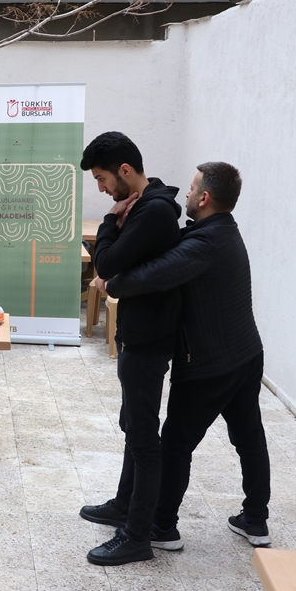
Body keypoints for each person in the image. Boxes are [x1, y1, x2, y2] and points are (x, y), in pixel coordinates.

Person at [107, 162, 271, 549]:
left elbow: (153, 275)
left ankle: (162, 527)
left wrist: (111, 280)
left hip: (212, 366)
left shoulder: (205, 243)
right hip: (247, 353)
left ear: (205, 197)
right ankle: (256, 520)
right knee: (249, 437)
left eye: (193, 187)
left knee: (175, 445)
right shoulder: (219, 230)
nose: (186, 193)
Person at [77, 131, 182, 566]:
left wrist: (107, 222)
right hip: (138, 334)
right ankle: (124, 502)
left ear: (125, 171)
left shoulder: (152, 212)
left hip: (149, 337)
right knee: (132, 425)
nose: (101, 189)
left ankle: (137, 535)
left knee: (143, 438)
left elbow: (108, 263)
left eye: (102, 179)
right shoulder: (141, 207)